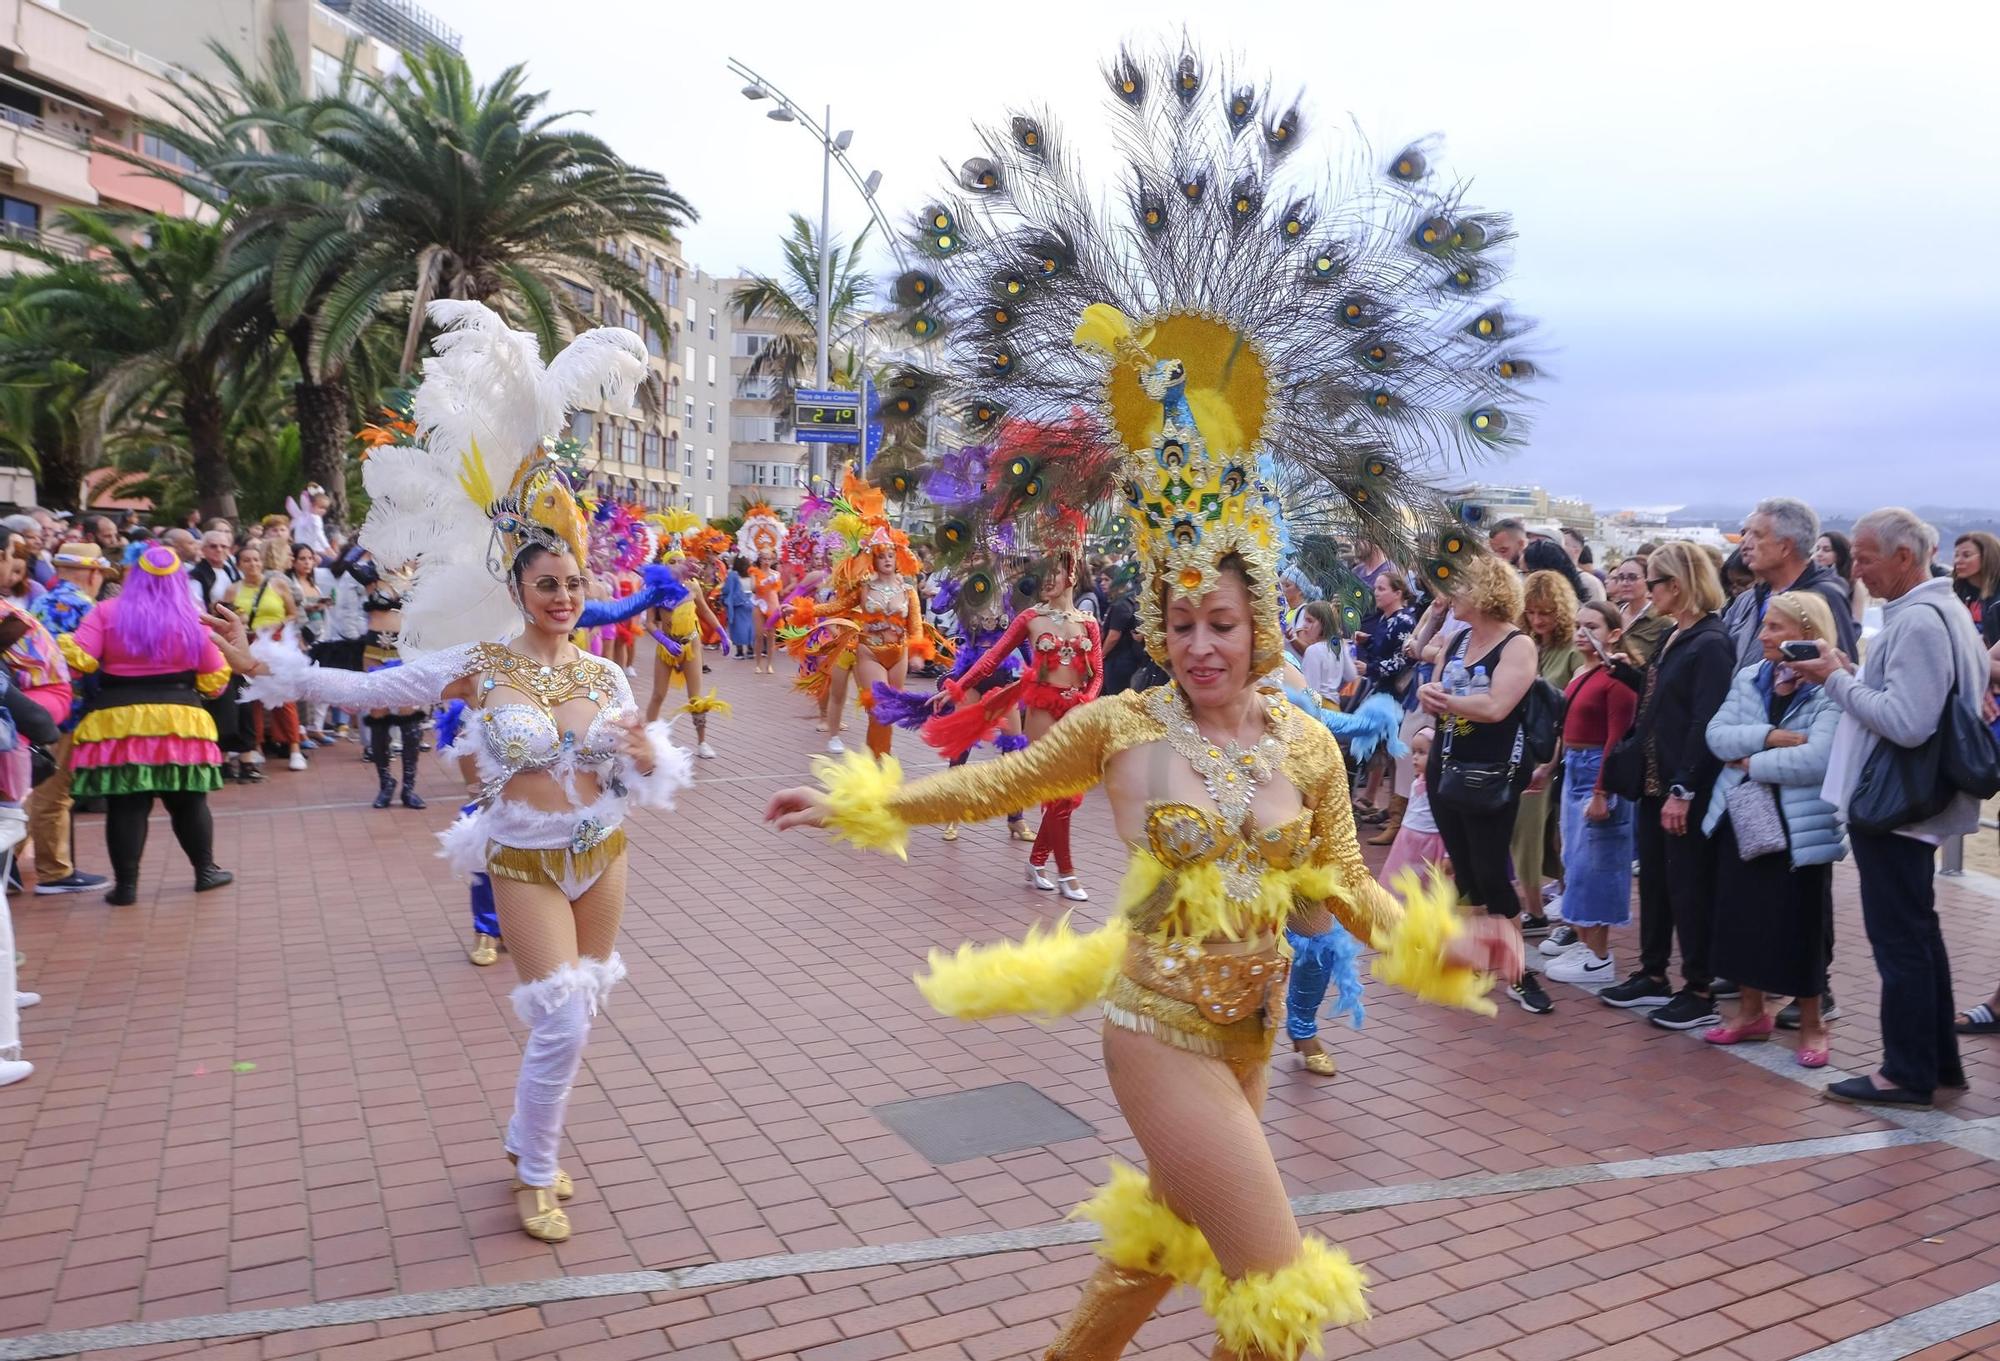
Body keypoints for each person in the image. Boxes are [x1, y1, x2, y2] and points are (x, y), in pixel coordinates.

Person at [768, 304, 1521, 1361]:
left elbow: (1346, 883)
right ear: (1155, 625)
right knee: (1277, 1298)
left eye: (1220, 622)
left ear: (1258, 622)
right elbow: (997, 783)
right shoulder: (1120, 726)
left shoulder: (1304, 743)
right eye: (1179, 621)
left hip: (1249, 1024)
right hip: (1157, 1024)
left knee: (1159, 1244)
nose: (1199, 643)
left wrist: (1434, 940)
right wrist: (864, 800)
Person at [232, 299, 691, 1239]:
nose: (563, 596)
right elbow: (373, 691)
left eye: (573, 582)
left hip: (605, 852)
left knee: (584, 1013)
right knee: (559, 1018)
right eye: (545, 583)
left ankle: (531, 1141)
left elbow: (633, 776)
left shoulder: (605, 670)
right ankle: (536, 1160)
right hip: (522, 855)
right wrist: (274, 668)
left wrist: (645, 754)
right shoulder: (480, 663)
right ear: (516, 584)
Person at [1793, 508, 1983, 1107]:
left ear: (1906, 557)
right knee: (1918, 935)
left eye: (1867, 558)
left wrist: (1833, 679)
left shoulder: (1919, 621)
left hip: (1899, 809)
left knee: (1901, 941)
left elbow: (1906, 722)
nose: (1858, 571)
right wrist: (1852, 672)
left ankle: (1904, 1072)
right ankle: (1937, 1063)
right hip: (1913, 807)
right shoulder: (1940, 610)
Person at [1597, 543, 1738, 1031]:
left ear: (1676, 585)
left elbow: (1705, 720)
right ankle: (1653, 973)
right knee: (1656, 884)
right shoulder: (1679, 635)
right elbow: (1665, 700)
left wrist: (1684, 789)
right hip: (1655, 782)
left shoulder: (1711, 642)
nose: (1644, 591)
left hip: (1682, 785)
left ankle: (1698, 988)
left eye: (1653, 582)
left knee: (1688, 888)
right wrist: (1629, 673)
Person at [1701, 591, 1845, 1067]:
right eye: (1764, 625)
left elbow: (1818, 760)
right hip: (1744, 818)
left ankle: (1811, 1023)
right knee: (1741, 918)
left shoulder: (1832, 686)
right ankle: (1750, 1013)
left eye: (1776, 627)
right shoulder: (1750, 675)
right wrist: (1770, 739)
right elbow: (1717, 736)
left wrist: (1751, 761)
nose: (1763, 635)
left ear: (1807, 635)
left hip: (1802, 830)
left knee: (1801, 927)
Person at [923, 520, 1101, 900]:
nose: (1047, 580)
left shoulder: (1088, 623)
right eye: (1043, 574)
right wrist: (958, 686)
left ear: (1072, 574)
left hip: (1077, 712)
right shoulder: (1030, 618)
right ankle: (1067, 873)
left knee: (1066, 796)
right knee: (1057, 790)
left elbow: (1097, 674)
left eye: (1054, 572)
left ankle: (1037, 861)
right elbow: (992, 658)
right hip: (1042, 711)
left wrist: (1087, 701)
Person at [56, 545, 233, 905]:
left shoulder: (106, 611)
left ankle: (126, 887)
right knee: (188, 802)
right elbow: (215, 681)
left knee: (126, 804)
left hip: (119, 721)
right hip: (179, 720)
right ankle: (205, 871)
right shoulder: (193, 617)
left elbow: (80, 661)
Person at [1416, 554, 1553, 1014]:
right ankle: (1473, 960)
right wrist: (1428, 697)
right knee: (1466, 868)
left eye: (1456, 588)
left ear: (1483, 592)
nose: (1448, 597)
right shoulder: (1456, 639)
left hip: (1492, 772)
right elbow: (1436, 692)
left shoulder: (1517, 645)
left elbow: (1497, 708)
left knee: (1493, 873)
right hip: (1446, 765)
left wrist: (1447, 700)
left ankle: (1517, 972)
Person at [1543, 602, 1637, 984]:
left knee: (1597, 864)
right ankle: (1582, 938)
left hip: (1596, 771)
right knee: (1575, 860)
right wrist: (1549, 767)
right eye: (1579, 626)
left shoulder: (1617, 679)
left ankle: (1598, 955)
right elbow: (1566, 730)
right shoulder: (1583, 672)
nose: (1583, 633)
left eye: (1593, 627)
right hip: (1574, 770)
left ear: (1614, 633)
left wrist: (1602, 790)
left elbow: (1618, 739)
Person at [23, 542, 110, 895]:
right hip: (68, 710)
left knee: (41, 788)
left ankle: (13, 858)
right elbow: (93, 666)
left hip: (37, 705)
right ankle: (54, 871)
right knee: (55, 792)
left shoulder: (40, 601)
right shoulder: (85, 607)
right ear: (92, 573)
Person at [1512, 568, 1582, 929]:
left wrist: (1551, 761)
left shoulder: (1572, 650)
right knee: (1531, 834)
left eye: (1546, 612)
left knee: (1551, 836)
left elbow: (1574, 714)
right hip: (1526, 750)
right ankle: (1539, 907)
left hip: (1558, 755)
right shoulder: (1525, 642)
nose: (1538, 620)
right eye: (1533, 612)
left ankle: (1543, 910)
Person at [1723, 498, 1860, 667]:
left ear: (1785, 547)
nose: (1744, 541)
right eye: (1744, 533)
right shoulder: (1748, 599)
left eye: (1756, 535)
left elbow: (1841, 674)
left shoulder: (1824, 599)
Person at [221, 547, 306, 775]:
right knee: (252, 698)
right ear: (239, 564)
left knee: (285, 695)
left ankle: (295, 747)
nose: (252, 564)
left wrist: (276, 625)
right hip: (248, 645)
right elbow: (226, 617)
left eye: (256, 559)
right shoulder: (232, 590)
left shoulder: (277, 584)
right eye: (247, 560)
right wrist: (241, 623)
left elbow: (293, 612)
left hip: (276, 645)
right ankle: (255, 746)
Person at [1351, 568, 1420, 833]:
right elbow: (1386, 651)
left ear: (1398, 592)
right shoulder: (1386, 619)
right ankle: (1392, 810)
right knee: (1386, 752)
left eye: (1381, 588)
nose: (1376, 593)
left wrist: (1369, 669)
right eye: (1376, 588)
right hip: (1385, 690)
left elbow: (1405, 659)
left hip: (1397, 693)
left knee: (1395, 751)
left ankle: (1396, 814)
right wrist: (1368, 643)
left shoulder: (1403, 620)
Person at [1607, 554, 1672, 664]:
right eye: (1621, 577)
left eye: (1632, 577)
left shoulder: (1662, 621)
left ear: (1648, 581)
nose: (1625, 583)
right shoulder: (1610, 614)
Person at [1952, 530, 2000, 647]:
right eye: (1956, 555)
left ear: (1987, 557)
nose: (1958, 561)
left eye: (1966, 555)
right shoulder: (1951, 593)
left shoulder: (1997, 601)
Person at [721, 555, 755, 659]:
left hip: (738, 604)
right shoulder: (752, 574)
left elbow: (727, 589)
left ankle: (739, 651)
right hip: (751, 602)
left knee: (738, 628)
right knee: (751, 627)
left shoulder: (733, 575)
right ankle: (750, 649)